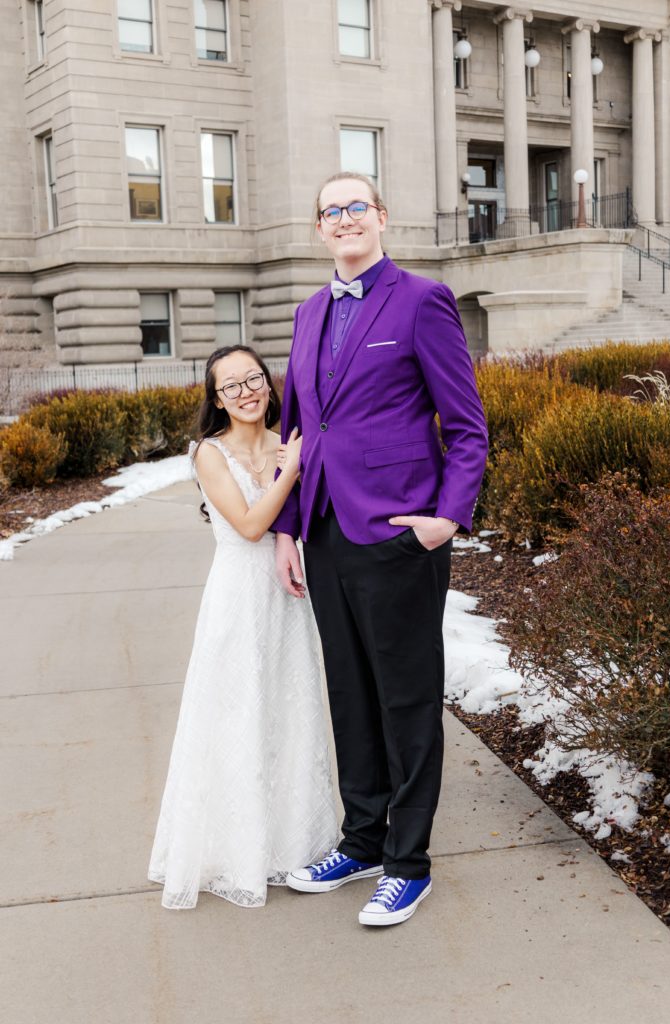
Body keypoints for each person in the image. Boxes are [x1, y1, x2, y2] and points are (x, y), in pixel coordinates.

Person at [273, 172, 488, 927]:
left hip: (399, 534)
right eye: (328, 211)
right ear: (319, 229)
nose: (342, 220)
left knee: (404, 699)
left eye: (354, 207)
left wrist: (444, 519)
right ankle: (361, 839)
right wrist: (286, 530)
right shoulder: (305, 314)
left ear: (381, 218)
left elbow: (465, 426)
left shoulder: (420, 300)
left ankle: (407, 861)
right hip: (327, 532)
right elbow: (296, 439)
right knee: (350, 696)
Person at [148, 345, 338, 910]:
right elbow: (253, 524)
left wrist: (294, 459)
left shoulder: (289, 441)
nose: (245, 392)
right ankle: (236, 849)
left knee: (288, 709)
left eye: (252, 379)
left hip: (286, 597)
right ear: (216, 399)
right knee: (234, 716)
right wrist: (295, 467)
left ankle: (290, 841)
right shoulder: (210, 452)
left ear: (268, 383)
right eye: (230, 387)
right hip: (236, 602)